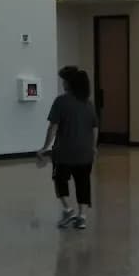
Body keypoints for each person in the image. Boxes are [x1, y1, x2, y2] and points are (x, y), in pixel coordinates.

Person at [37, 66, 99, 230]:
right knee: (83, 183)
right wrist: (93, 147)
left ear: (69, 83)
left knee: (60, 180)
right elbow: (94, 127)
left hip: (64, 152)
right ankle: (82, 217)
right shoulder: (89, 103)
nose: (62, 82)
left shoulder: (61, 101)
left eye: (63, 80)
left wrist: (44, 147)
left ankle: (68, 210)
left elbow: (53, 127)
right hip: (85, 153)